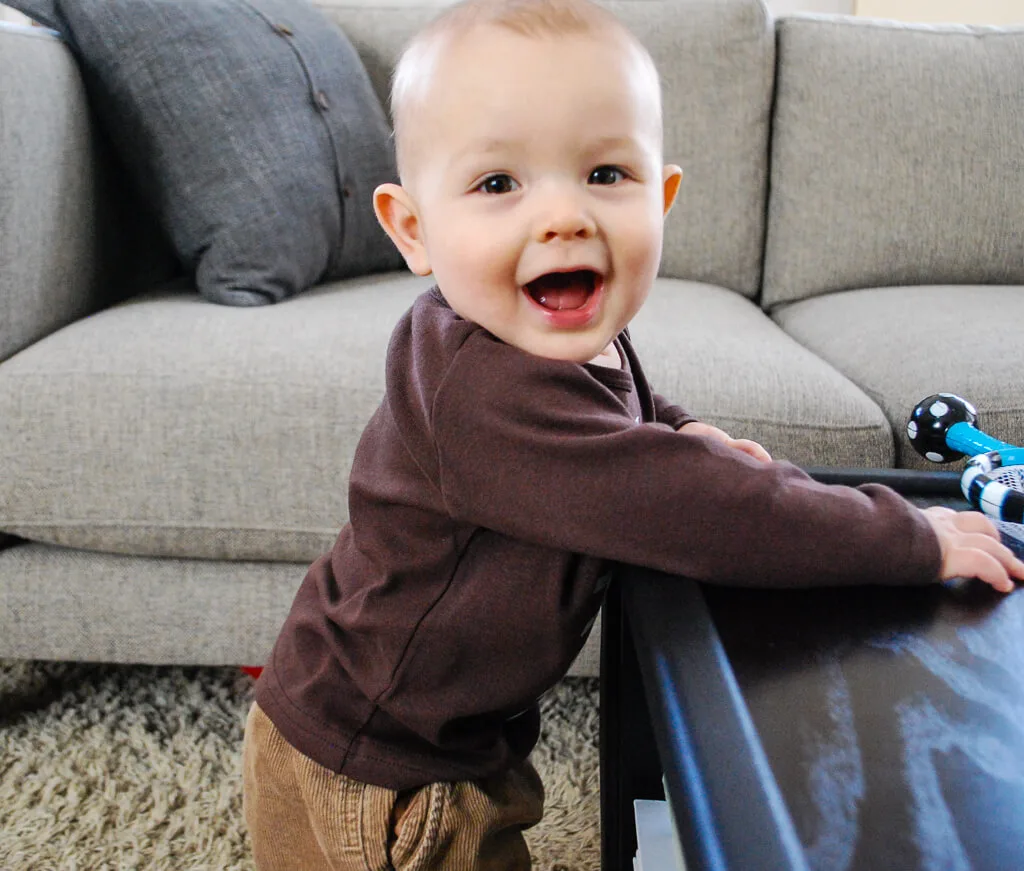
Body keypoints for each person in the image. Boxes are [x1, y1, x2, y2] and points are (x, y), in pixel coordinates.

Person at [241, 1, 1024, 868]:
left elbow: (625, 411)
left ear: (664, 196)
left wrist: (692, 430)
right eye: (499, 184)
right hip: (383, 769)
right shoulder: (483, 394)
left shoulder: (554, 339)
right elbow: (705, 512)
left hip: (432, 734)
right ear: (413, 230)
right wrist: (908, 537)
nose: (564, 216)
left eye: (607, 174)